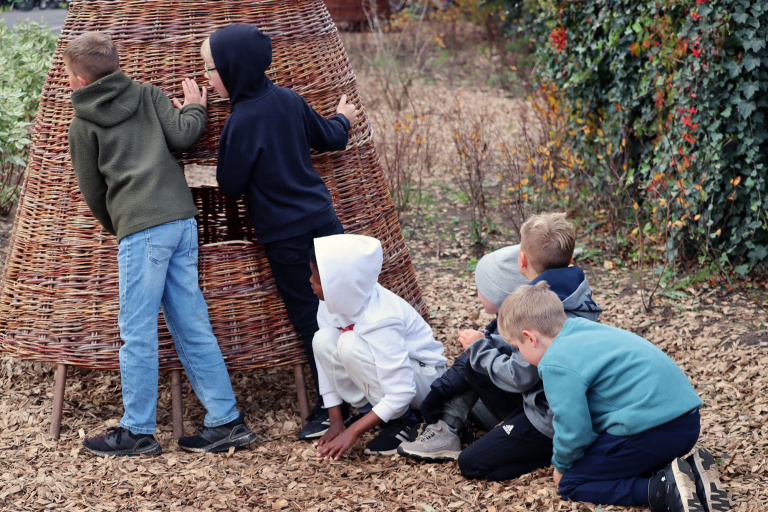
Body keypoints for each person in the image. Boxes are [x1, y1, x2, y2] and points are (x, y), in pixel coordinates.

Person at [66, 32, 255, 456]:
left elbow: (93, 191)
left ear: (78, 81)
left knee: (136, 331)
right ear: (116, 64)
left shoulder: (82, 125)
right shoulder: (148, 94)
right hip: (182, 222)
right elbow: (185, 135)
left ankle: (137, 431)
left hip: (141, 228)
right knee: (192, 324)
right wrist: (195, 108)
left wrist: (121, 225)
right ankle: (226, 421)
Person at [202, 24, 359, 439]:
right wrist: (344, 118)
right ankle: (372, 394)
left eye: (211, 68)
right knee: (349, 308)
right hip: (325, 221)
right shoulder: (289, 99)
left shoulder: (240, 121)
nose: (206, 77)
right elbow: (328, 137)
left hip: (285, 236)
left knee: (310, 318)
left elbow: (230, 184)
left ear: (234, 70)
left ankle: (333, 408)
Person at [398, 213, 602, 483]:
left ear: (522, 260)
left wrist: (479, 348)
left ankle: (546, 451)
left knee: (471, 463)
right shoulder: (578, 291)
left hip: (548, 412)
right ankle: (456, 425)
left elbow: (521, 376)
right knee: (482, 354)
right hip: (562, 399)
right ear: (571, 261)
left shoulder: (537, 310)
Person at [497, 281, 731, 512]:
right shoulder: (582, 329)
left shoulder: (555, 362)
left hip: (656, 432)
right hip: (687, 423)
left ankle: (663, 488)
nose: (519, 353)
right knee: (606, 460)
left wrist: (561, 465)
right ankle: (693, 473)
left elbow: (574, 429)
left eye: (517, 347)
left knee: (573, 483)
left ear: (530, 337)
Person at [309, 234, 447, 458]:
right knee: (322, 339)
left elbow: (402, 391)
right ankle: (370, 413)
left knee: (348, 342)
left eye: (316, 278)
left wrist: (354, 432)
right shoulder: (330, 303)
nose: (310, 282)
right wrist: (336, 421)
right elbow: (323, 361)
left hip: (424, 381)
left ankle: (402, 421)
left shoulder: (381, 317)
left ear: (338, 285)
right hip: (393, 378)